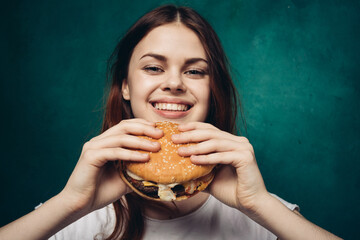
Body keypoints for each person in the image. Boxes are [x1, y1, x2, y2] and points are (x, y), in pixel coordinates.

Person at [0, 5, 342, 240]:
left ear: (212, 90)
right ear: (125, 86)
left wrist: (260, 205)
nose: (175, 83)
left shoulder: (259, 212)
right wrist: (71, 204)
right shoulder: (75, 214)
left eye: (195, 71)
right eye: (153, 67)